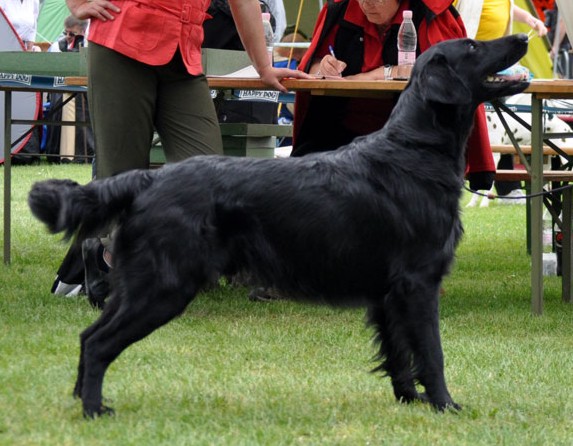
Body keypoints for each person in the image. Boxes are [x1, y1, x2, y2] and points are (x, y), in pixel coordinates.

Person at [60, 0, 309, 307]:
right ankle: (110, 263)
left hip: (184, 56)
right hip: (122, 42)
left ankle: (116, 255)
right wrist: (77, 3)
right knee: (123, 176)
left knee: (208, 179)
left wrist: (263, 66)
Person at [248, 0, 492, 302]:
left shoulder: (431, 16)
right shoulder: (340, 11)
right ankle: (290, 276)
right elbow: (306, 69)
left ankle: (421, 272)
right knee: (301, 182)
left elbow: (439, 75)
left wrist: (380, 73)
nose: (367, 4)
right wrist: (320, 66)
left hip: (411, 138)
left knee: (421, 188)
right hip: (340, 132)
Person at [455, 0, 547, 199]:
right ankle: (474, 179)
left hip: (498, 65)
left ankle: (507, 187)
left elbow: (507, 8)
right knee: (481, 127)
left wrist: (530, 19)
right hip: (473, 67)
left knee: (501, 126)